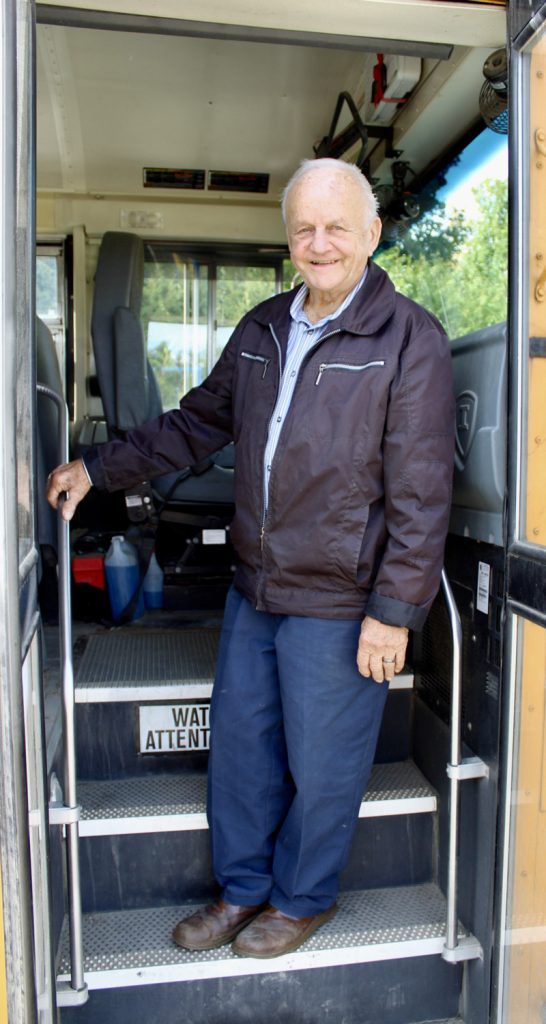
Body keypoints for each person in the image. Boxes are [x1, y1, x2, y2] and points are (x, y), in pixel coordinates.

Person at [47, 158, 455, 959]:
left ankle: (302, 899)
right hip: (255, 587)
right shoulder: (265, 327)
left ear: (371, 233)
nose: (320, 242)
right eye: (304, 227)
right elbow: (197, 423)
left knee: (325, 764)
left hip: (341, 599)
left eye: (338, 226)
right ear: (289, 239)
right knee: (240, 751)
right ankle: (240, 889)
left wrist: (393, 612)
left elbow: (421, 490)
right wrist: (96, 469)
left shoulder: (411, 339)